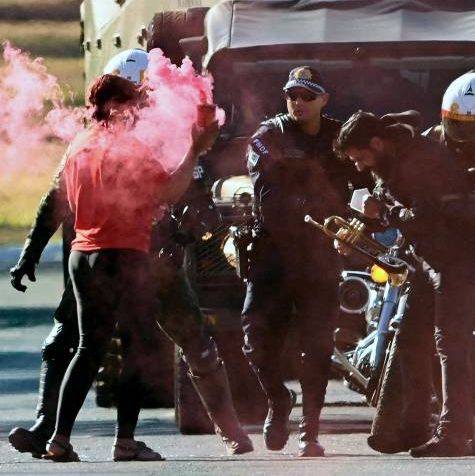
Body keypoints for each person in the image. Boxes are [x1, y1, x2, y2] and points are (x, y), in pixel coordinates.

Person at [7, 51, 252, 460]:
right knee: (67, 341)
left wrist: (191, 222)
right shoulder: (104, 141)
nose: (145, 104)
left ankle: (227, 428)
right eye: (138, 96)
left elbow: (196, 191)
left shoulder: (165, 126)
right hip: (118, 251)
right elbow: (56, 202)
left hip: (151, 254)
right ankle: (47, 426)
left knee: (194, 340)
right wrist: (31, 252)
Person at [38, 72, 218, 462]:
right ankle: (125, 441)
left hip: (82, 257)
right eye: (134, 104)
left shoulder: (77, 146)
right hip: (123, 254)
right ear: (118, 107)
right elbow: (169, 191)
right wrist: (195, 149)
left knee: (89, 348)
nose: (138, 111)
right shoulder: (129, 148)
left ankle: (59, 438)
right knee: (138, 349)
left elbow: (65, 203)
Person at [334, 110, 475, 457]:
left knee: (450, 344)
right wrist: (361, 228)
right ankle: (415, 426)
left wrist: (384, 215)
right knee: (410, 340)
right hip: (431, 260)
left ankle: (455, 433)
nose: (359, 166)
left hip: (459, 258)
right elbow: (400, 212)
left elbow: (426, 215)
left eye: (361, 157)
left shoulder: (420, 161)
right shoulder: (392, 162)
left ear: (377, 143)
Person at [242, 66, 357, 458]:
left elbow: (366, 175)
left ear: (324, 100)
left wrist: (362, 211)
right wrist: (314, 206)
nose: (299, 103)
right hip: (274, 253)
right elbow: (269, 199)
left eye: (308, 96)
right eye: (292, 95)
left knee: (317, 345)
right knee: (255, 339)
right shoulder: (268, 136)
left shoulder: (340, 136)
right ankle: (278, 399)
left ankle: (311, 431)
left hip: (320, 255)